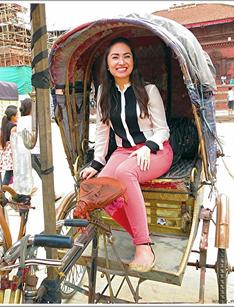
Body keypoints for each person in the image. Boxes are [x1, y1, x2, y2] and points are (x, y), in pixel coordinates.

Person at [80, 37, 173, 272]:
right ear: (108, 64)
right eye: (115, 57)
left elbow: (163, 129)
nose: (121, 62)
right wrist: (97, 163)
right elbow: (102, 131)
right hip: (123, 151)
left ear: (133, 61)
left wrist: (147, 147)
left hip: (155, 151)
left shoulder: (148, 90)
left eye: (126, 56)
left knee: (124, 172)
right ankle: (140, 233)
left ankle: (143, 246)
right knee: (100, 188)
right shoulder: (104, 92)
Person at [0, 105, 18, 185]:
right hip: (12, 154)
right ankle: (2, 193)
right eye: (17, 115)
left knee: (10, 174)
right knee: (9, 175)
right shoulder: (14, 127)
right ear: (12, 117)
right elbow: (14, 141)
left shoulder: (4, 126)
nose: (18, 117)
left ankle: (4, 192)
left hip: (6, 154)